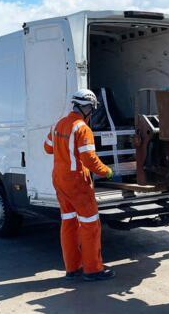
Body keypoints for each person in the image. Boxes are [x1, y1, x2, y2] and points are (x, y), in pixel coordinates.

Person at [44, 89, 115, 281]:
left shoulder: (58, 124)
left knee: (69, 223)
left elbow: (47, 148)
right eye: (91, 109)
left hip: (59, 180)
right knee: (90, 225)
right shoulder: (82, 128)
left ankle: (72, 268)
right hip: (77, 182)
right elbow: (89, 159)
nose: (91, 113)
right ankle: (93, 270)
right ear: (86, 107)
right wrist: (106, 171)